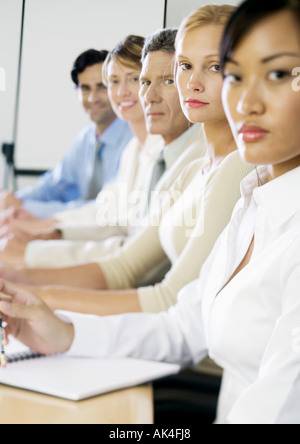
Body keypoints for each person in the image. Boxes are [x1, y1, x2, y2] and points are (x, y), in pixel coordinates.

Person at [1, 0, 300, 424]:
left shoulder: (250, 185)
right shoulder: (254, 199)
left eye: (277, 74)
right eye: (235, 74)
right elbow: (184, 325)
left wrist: (36, 272)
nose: (245, 100)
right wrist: (61, 330)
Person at [0, 12, 253, 319]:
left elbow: (169, 296)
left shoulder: (237, 166)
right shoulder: (191, 167)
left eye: (214, 67)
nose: (194, 83)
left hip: (185, 345)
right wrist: (21, 285)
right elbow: (125, 262)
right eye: (185, 67)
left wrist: (35, 286)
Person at [0, 36, 164, 266]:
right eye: (114, 81)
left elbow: (122, 231)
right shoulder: (122, 147)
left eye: (134, 79)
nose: (121, 91)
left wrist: (44, 229)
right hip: (101, 245)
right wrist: (18, 204)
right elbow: (59, 186)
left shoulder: (148, 146)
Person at [0, 49, 133, 219]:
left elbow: (104, 209)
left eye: (101, 87)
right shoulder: (85, 139)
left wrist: (25, 207)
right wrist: (12, 200)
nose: (93, 98)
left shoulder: (133, 139)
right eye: (85, 88)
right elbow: (53, 185)